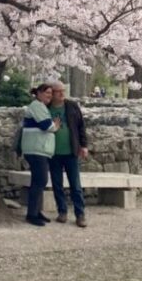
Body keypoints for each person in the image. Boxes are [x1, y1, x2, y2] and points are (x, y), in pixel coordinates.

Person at [47, 83, 89, 227]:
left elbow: (80, 126)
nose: (61, 94)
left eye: (63, 91)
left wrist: (83, 145)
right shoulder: (46, 107)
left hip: (71, 151)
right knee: (57, 184)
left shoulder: (71, 106)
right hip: (53, 152)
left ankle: (80, 214)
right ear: (52, 94)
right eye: (58, 92)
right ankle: (62, 212)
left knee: (75, 185)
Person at [21, 84, 58, 227]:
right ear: (39, 93)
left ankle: (36, 211)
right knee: (40, 180)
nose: (50, 95)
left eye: (51, 93)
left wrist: (53, 126)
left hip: (40, 149)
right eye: (47, 93)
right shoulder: (37, 106)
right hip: (36, 149)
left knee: (40, 181)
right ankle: (31, 214)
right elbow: (47, 126)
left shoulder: (41, 106)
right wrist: (55, 126)